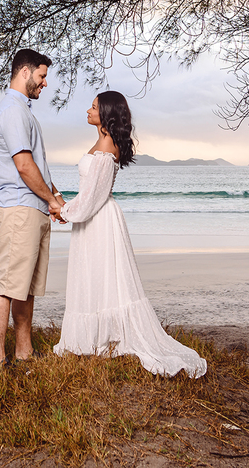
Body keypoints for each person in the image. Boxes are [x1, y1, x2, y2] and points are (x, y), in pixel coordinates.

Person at [55, 91, 207, 378]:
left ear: (106, 113)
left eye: (94, 107)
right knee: (96, 277)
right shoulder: (101, 141)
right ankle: (97, 337)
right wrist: (67, 209)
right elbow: (89, 194)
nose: (88, 110)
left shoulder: (106, 144)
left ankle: (103, 338)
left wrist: (64, 211)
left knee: (103, 276)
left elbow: (92, 198)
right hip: (95, 216)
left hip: (100, 220)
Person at [0, 48, 66, 369]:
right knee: (7, 286)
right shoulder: (12, 110)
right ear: (25, 72)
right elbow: (23, 165)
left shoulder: (24, 111)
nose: (45, 83)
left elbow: (37, 167)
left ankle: (24, 352)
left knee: (25, 288)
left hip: (32, 208)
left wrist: (55, 197)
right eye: (42, 76)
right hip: (18, 209)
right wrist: (51, 201)